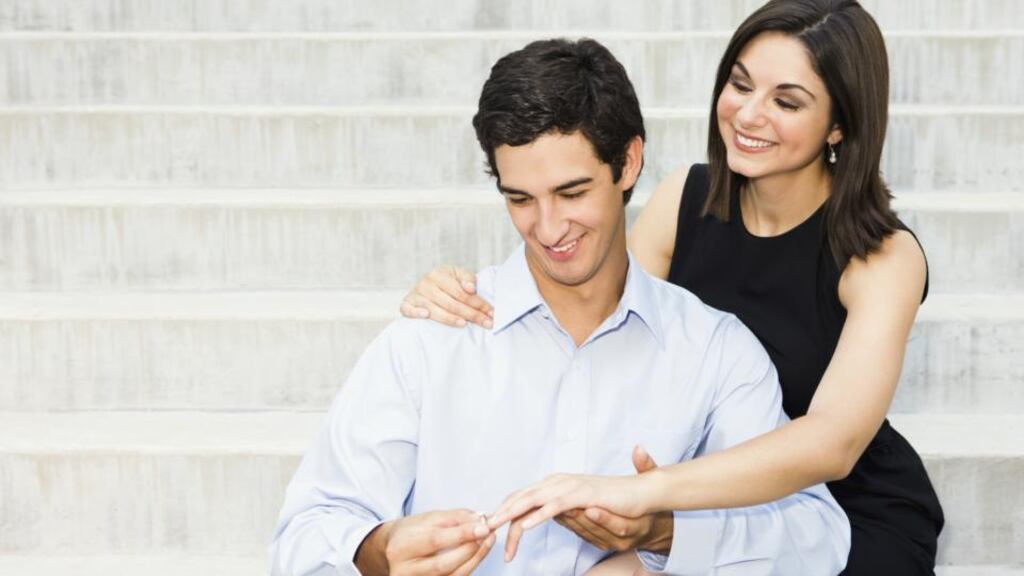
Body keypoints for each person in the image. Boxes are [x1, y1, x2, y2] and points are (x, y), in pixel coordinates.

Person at [399, 0, 945, 574]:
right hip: (702, 495)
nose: (748, 115)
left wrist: (648, 494)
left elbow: (832, 443)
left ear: (839, 123)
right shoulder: (688, 196)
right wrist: (459, 290)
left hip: (843, 513)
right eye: (740, 84)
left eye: (786, 101)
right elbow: (598, 312)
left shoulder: (883, 256)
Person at [270, 38, 851, 576]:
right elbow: (304, 533)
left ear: (628, 163)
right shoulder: (432, 337)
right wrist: (380, 549)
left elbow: (816, 535)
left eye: (572, 193)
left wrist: (662, 530)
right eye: (520, 198)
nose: (548, 230)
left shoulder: (713, 350)